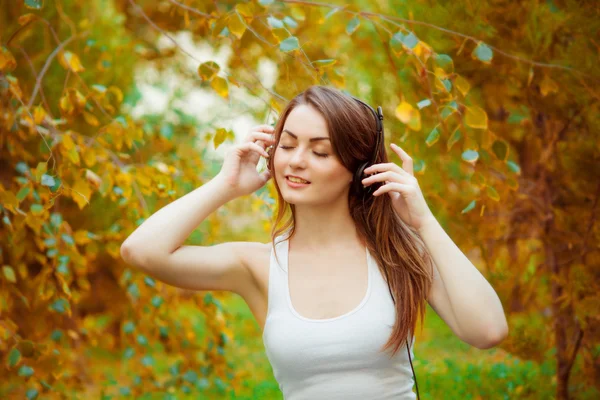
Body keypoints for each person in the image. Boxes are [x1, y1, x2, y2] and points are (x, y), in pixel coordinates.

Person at [120, 85, 509, 399]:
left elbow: (488, 331)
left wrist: (423, 222)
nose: (296, 161)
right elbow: (140, 251)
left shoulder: (398, 255)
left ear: (359, 169)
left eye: (319, 151)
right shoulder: (257, 265)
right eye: (287, 146)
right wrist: (225, 186)